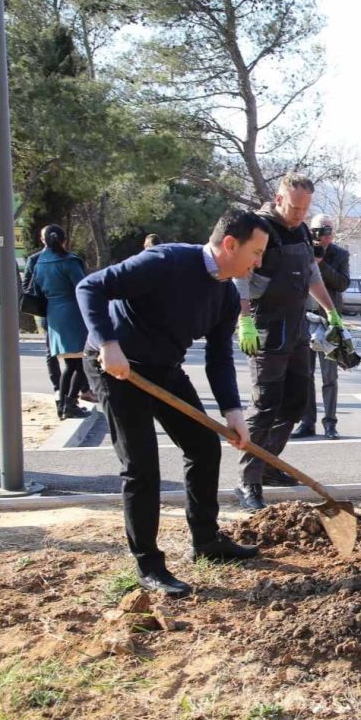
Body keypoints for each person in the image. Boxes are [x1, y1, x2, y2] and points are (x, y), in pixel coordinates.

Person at [77, 209, 269, 598]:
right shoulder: (166, 261)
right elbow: (90, 287)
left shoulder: (226, 295)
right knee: (142, 466)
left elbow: (219, 359)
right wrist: (109, 344)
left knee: (203, 445)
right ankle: (148, 564)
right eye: (256, 252)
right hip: (118, 367)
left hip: (164, 369)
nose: (259, 262)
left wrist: (233, 413)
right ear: (230, 244)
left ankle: (206, 540)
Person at [234, 174, 345, 511]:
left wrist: (331, 311)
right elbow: (241, 275)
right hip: (266, 327)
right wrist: (244, 321)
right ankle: (247, 481)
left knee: (295, 403)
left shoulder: (299, 231)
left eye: (305, 208)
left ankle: (269, 465)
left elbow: (311, 273)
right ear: (279, 198)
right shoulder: (259, 228)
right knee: (266, 406)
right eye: (295, 207)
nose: (299, 215)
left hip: (296, 327)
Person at [292, 214, 350, 440]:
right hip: (305, 319)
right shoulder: (303, 251)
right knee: (305, 375)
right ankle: (307, 422)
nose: (322, 234)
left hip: (329, 321)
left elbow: (342, 283)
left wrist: (321, 264)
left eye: (327, 229)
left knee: (329, 377)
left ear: (333, 232)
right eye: (317, 229)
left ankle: (330, 424)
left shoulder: (339, 254)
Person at [33, 225, 92, 420]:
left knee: (70, 364)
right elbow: (83, 287)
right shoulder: (69, 261)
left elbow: (35, 289)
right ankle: (70, 403)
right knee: (84, 362)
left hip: (53, 314)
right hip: (73, 313)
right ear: (64, 239)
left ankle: (64, 405)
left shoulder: (39, 262)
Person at [23, 228, 62, 397]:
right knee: (55, 351)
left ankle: (65, 390)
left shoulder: (68, 258)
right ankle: (61, 389)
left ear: (42, 239)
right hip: (49, 310)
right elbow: (27, 287)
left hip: (50, 311)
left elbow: (25, 287)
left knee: (55, 351)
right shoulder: (34, 260)